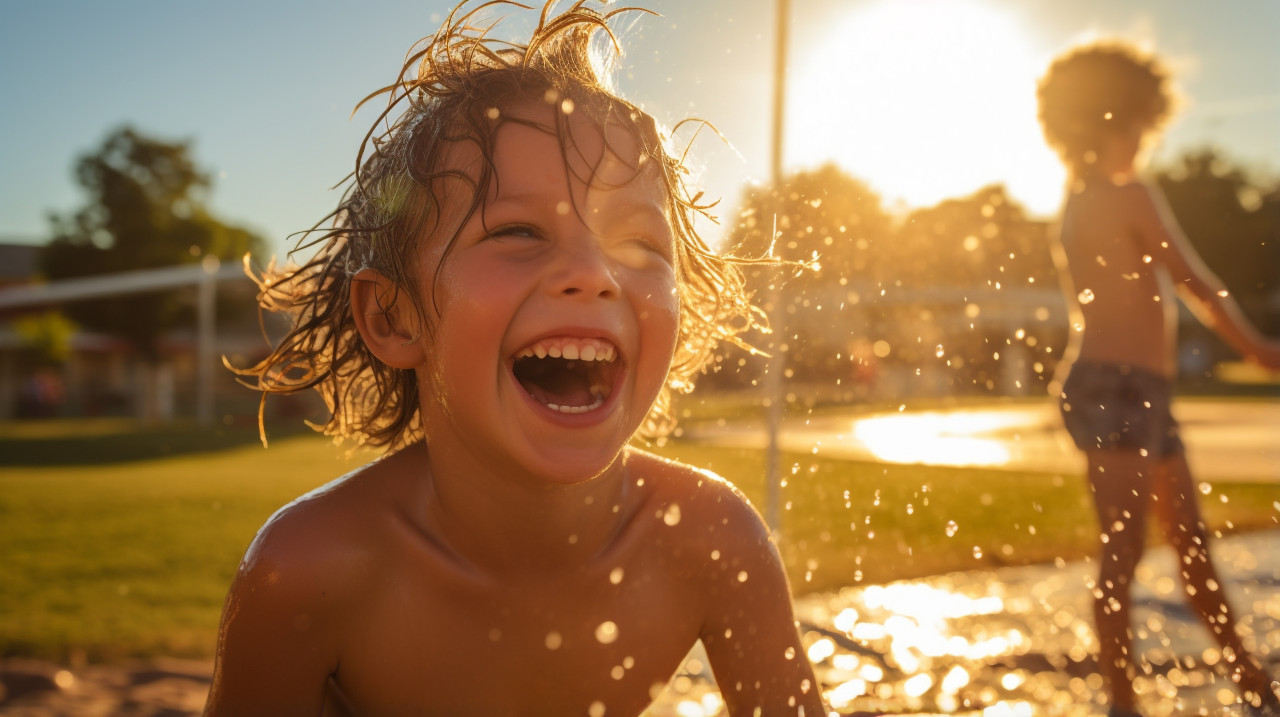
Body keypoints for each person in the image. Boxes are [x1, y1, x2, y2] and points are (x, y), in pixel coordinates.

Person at [204, 2, 826, 715]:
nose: (594, 272)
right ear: (392, 314)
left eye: (639, 245)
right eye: (521, 230)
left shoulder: (710, 539)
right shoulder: (310, 571)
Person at [1036, 42, 1280, 716]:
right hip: (1118, 386)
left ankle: (1249, 677)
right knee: (1126, 547)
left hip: (1130, 389)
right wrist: (1257, 346)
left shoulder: (1079, 199)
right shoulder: (1126, 195)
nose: (1149, 135)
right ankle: (1122, 701)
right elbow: (1196, 281)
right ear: (1118, 118)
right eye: (1144, 121)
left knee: (1186, 545)